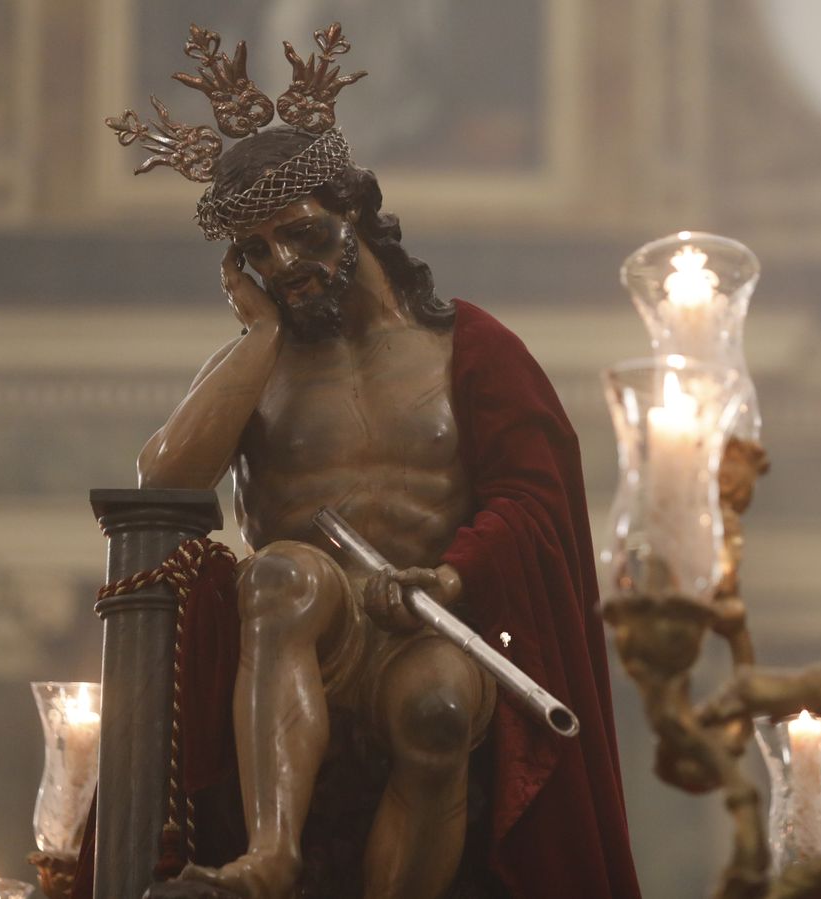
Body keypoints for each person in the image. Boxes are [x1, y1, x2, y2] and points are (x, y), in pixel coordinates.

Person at [112, 23, 640, 899]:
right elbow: (162, 480)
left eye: (301, 235)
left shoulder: (466, 347)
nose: (286, 264)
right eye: (257, 254)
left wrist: (450, 575)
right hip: (306, 631)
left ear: (351, 208)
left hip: (429, 622)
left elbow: (533, 499)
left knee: (435, 706)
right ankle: (270, 858)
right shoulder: (261, 364)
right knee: (283, 573)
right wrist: (262, 332)